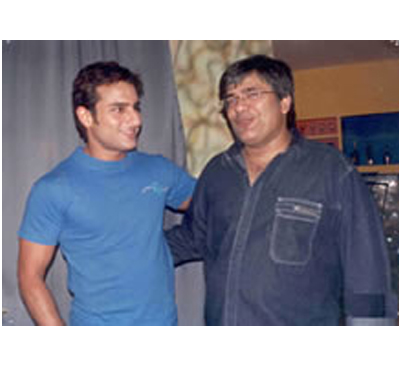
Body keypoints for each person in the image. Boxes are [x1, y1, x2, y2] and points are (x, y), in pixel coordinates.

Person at [167, 54, 397, 326]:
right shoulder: (218, 172)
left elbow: (366, 266)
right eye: (231, 99)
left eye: (252, 94)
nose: (239, 107)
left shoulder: (331, 170)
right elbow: (193, 237)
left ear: (284, 102)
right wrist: (131, 247)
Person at [18, 61, 195, 326]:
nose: (135, 120)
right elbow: (29, 278)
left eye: (136, 107)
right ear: (86, 117)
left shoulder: (158, 170)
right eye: (119, 109)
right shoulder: (54, 188)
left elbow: (212, 204)